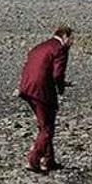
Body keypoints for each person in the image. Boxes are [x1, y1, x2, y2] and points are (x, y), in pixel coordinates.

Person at [17, 25, 72, 172]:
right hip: (41, 90)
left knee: (44, 124)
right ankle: (34, 158)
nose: (72, 42)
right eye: (71, 38)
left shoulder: (41, 46)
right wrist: (61, 87)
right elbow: (57, 74)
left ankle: (49, 160)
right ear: (65, 36)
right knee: (47, 128)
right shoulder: (60, 49)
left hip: (27, 86)